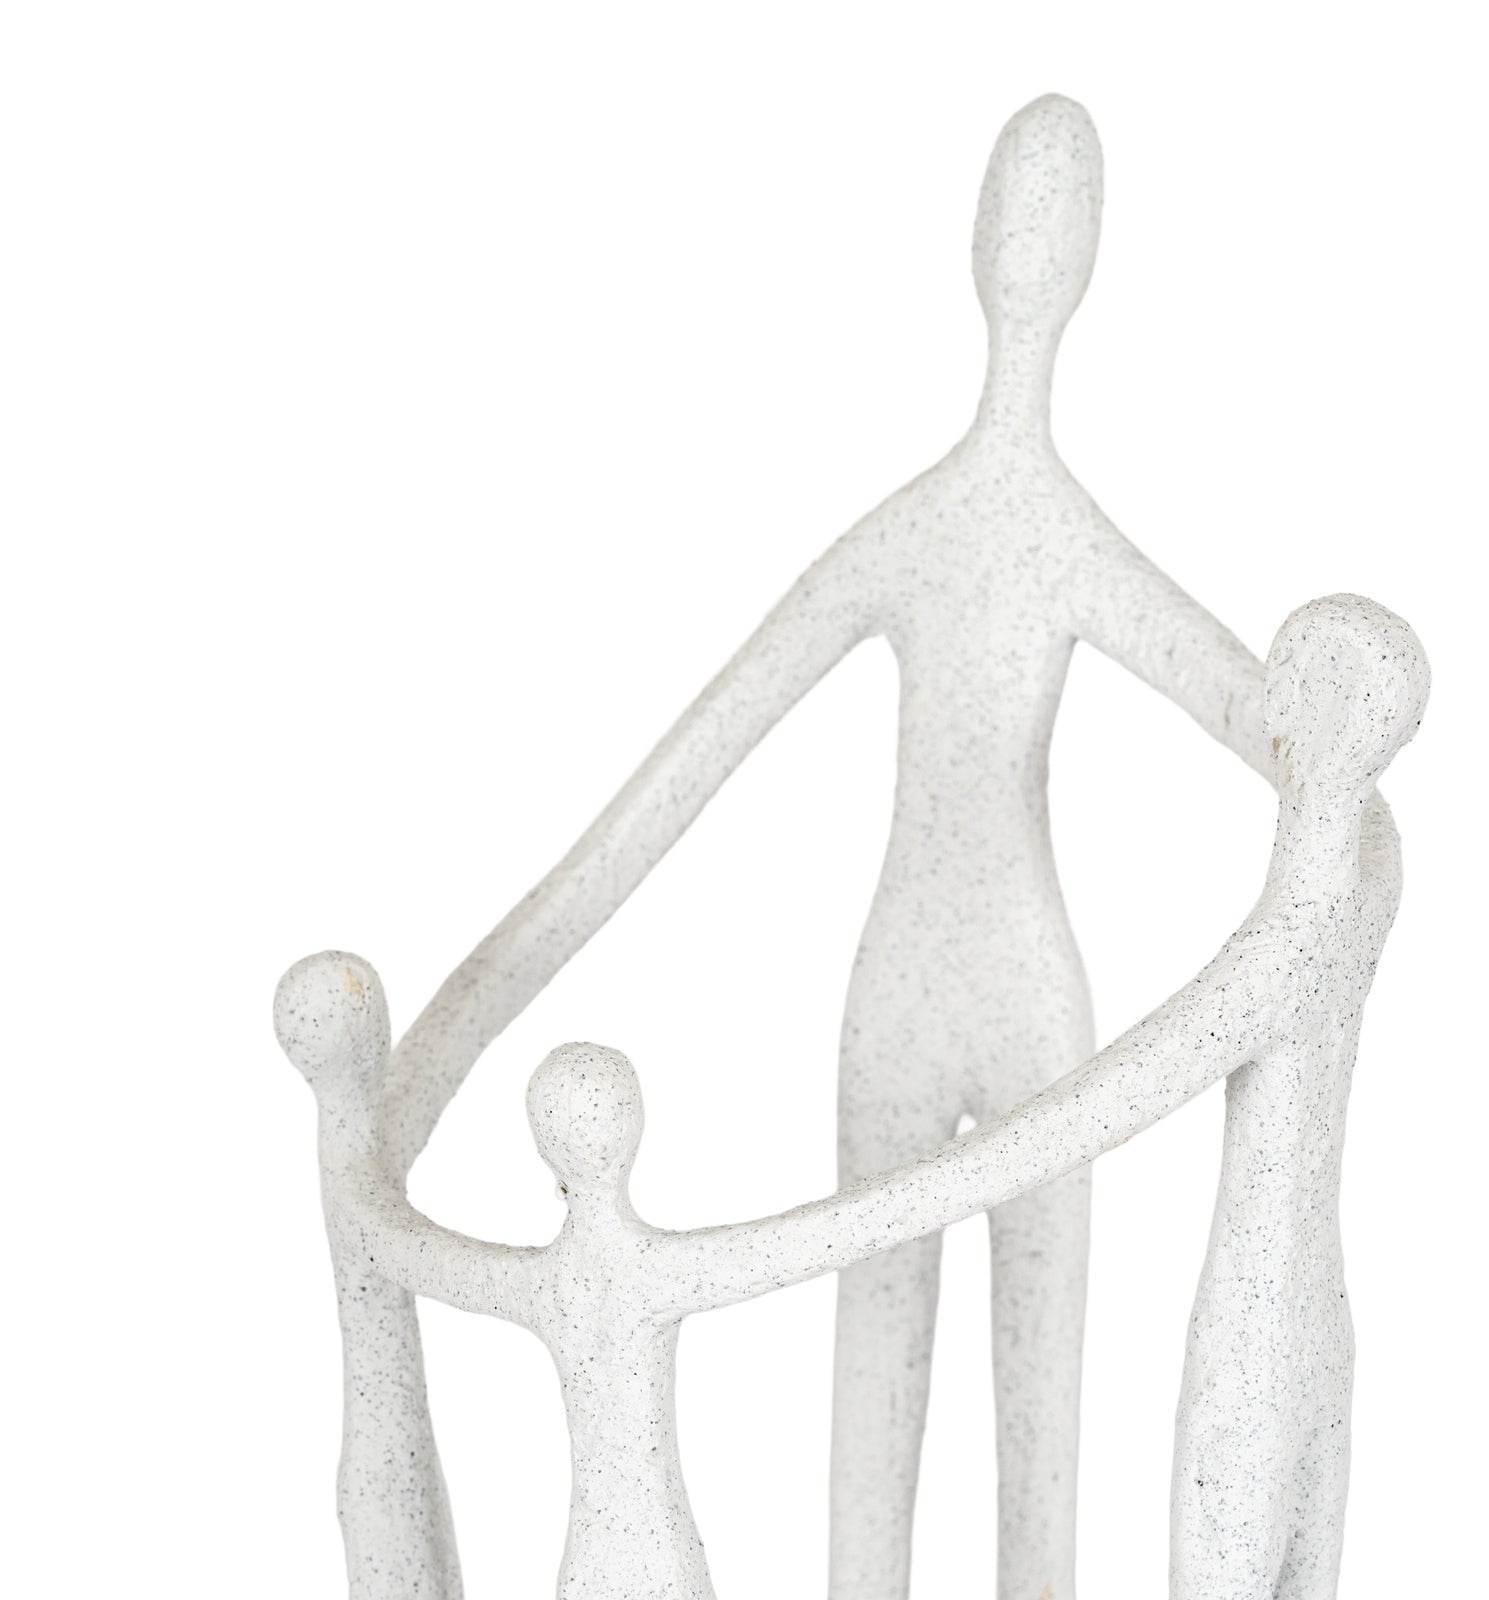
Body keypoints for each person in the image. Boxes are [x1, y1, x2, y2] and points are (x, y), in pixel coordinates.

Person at [374, 94, 1276, 1600]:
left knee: (1038, 1379)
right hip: (907, 981)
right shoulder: (920, 531)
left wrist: (1335, 745)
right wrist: (516, 962)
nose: (1028, 248)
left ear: (1077, 260)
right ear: (982, 245)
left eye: (1050, 219)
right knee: (881, 1329)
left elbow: (1252, 710)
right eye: (1019, 213)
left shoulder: (1059, 537)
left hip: (1026, 982)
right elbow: (698, 754)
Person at [276, 593, 1427, 1600]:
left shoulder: (1330, 907)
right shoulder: (1358, 883)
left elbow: (1144, 1072)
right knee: (912, 1351)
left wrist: (876, 1214)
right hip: (970, 1034)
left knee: (1043, 1381)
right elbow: (678, 781)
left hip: (1191, 1223)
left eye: (1313, 689)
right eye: (1295, 683)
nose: (1291, 705)